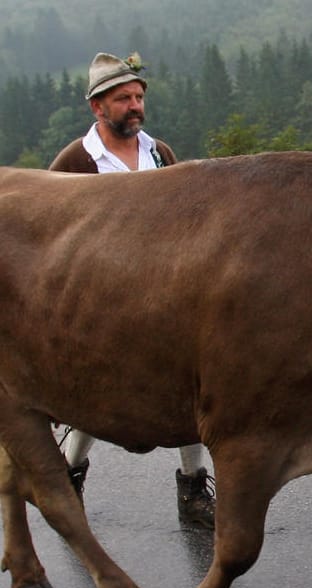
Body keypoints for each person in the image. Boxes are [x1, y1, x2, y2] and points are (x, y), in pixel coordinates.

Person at [49, 52, 215, 529]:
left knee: (190, 386)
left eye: (139, 96)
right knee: (93, 395)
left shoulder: (159, 152)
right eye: (123, 98)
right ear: (97, 107)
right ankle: (69, 477)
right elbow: (53, 240)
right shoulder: (75, 161)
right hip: (103, 304)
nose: (135, 105)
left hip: (168, 296)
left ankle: (192, 489)